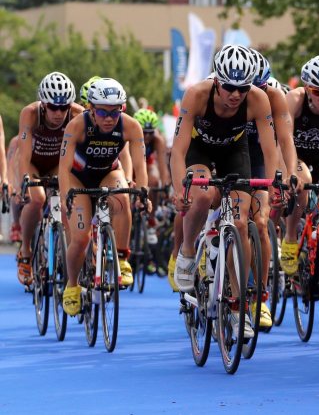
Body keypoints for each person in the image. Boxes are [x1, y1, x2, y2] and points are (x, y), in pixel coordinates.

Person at [170, 44, 280, 339]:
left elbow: (270, 149)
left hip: (235, 151)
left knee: (241, 222)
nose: (235, 95)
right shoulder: (196, 94)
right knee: (203, 195)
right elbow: (178, 150)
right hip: (200, 149)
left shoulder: (257, 99)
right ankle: (188, 251)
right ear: (216, 81)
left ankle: (238, 306)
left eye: (241, 89)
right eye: (229, 87)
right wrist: (179, 188)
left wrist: (274, 183)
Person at [60, 78, 150, 316]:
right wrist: (64, 197)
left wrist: (143, 192)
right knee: (79, 239)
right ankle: (71, 286)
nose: (109, 118)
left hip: (108, 173)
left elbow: (140, 168)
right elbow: (63, 167)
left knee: (122, 197)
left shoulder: (131, 126)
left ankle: (121, 257)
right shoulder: (77, 126)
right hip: (78, 177)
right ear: (91, 109)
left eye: (115, 111)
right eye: (102, 112)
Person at [15, 72, 83, 286]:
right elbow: (24, 154)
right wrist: (26, 181)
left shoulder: (78, 114)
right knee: (36, 199)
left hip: (57, 164)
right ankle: (25, 249)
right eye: (53, 107)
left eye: (64, 108)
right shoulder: (30, 114)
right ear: (43, 105)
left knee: (67, 204)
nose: (59, 113)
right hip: (33, 162)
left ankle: (71, 259)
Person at [248, 49, 295, 329]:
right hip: (223, 149)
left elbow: (283, 143)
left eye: (261, 87)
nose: (255, 94)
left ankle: (259, 297)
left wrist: (284, 177)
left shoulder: (275, 97)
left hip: (257, 155)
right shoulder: (224, 92)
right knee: (211, 197)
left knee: (261, 221)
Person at [282, 55, 319, 276]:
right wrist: (289, 171)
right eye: (318, 92)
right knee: (302, 182)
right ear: (307, 89)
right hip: (296, 155)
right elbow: (284, 139)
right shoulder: (294, 100)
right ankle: (289, 238)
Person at [133, 108, 171, 272]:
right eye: (144, 132)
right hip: (131, 166)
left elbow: (163, 167)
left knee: (154, 179)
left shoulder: (158, 140)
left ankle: (150, 221)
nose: (147, 136)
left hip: (146, 164)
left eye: (150, 132)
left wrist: (165, 186)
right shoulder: (131, 134)